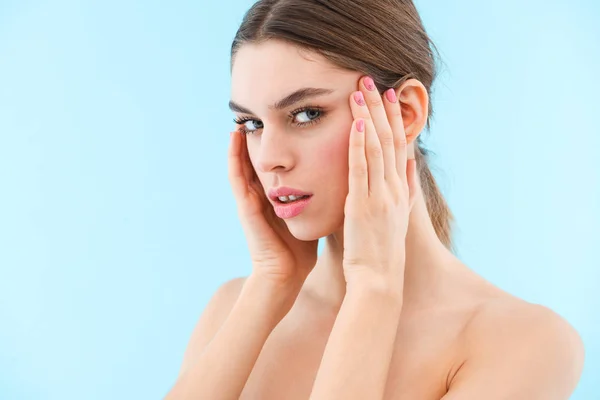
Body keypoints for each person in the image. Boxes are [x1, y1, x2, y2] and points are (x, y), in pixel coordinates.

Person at [165, 1, 585, 399]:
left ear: (404, 113)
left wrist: (374, 288)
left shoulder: (523, 343)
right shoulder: (234, 310)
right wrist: (272, 281)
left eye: (307, 113)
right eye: (252, 123)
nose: (270, 158)